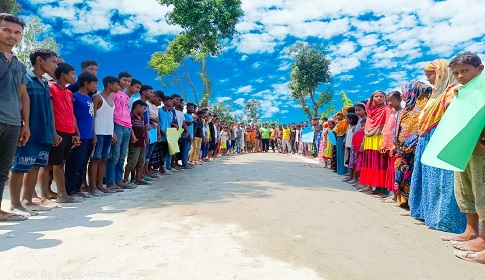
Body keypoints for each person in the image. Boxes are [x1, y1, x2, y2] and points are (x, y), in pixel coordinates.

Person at [410, 59, 466, 234]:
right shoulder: (436, 95)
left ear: (443, 73)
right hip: (428, 140)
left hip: (441, 140)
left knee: (443, 180)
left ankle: (445, 219)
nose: (428, 79)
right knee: (430, 180)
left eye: (431, 75)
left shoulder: (453, 91)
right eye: (426, 76)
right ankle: (429, 213)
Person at [8, 48, 58, 218]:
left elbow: (50, 110)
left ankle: (28, 201)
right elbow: (19, 101)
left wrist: (53, 131)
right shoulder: (25, 78)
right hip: (28, 130)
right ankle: (15, 204)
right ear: (39, 60)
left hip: (44, 132)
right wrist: (24, 124)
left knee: (36, 166)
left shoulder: (45, 83)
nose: (56, 66)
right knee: (19, 166)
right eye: (53, 62)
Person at [443, 53, 485, 254]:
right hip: (463, 148)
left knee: (482, 189)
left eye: (465, 71)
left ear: (480, 69)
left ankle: (483, 239)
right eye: (456, 73)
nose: (460, 76)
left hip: (481, 148)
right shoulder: (459, 93)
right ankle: (470, 230)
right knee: (465, 188)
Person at [0, 13, 31, 221]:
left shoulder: (20, 65)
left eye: (17, 32)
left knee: (3, 170)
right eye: (7, 30)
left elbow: (22, 94)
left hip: (12, 122)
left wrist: (25, 123)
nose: (12, 35)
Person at [40, 62, 81, 204]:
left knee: (60, 164)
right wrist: (53, 132)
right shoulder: (51, 88)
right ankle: (44, 196)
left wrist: (76, 132)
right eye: (73, 74)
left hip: (68, 131)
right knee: (47, 164)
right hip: (57, 131)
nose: (75, 77)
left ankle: (62, 194)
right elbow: (50, 112)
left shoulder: (69, 92)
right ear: (63, 75)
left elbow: (72, 113)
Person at [394, 81, 432, 208]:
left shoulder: (424, 107)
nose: (404, 96)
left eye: (405, 92)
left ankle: (415, 204)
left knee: (415, 175)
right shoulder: (407, 109)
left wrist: (410, 143)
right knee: (403, 172)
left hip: (416, 148)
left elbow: (418, 127)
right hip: (403, 149)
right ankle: (405, 201)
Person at [65, 71, 97, 199]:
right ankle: (70, 190)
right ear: (86, 83)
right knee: (74, 163)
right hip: (79, 136)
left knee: (83, 163)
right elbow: (72, 117)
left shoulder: (89, 98)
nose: (96, 86)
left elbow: (92, 118)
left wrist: (93, 135)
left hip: (88, 136)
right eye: (94, 83)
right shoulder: (75, 97)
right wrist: (75, 133)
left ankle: (77, 188)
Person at [106, 71, 137, 191]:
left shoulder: (126, 97)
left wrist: (132, 131)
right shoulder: (114, 94)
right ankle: (110, 182)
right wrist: (112, 129)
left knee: (122, 156)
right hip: (117, 126)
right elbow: (110, 111)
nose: (127, 83)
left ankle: (119, 181)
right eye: (124, 80)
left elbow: (128, 115)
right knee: (114, 156)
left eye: (129, 81)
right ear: (118, 80)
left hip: (127, 127)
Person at [88, 76, 118, 195]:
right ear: (109, 85)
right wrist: (93, 133)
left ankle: (100, 185)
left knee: (104, 159)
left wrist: (112, 132)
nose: (118, 87)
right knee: (95, 159)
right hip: (99, 132)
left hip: (108, 133)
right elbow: (93, 116)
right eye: (117, 85)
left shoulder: (111, 99)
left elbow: (110, 118)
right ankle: (92, 187)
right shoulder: (97, 97)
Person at [359, 91, 393, 194]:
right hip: (369, 138)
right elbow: (367, 128)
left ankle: (379, 188)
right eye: (376, 96)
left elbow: (388, 125)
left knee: (379, 162)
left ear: (385, 98)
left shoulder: (387, 110)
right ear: (372, 98)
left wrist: (385, 142)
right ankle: (369, 185)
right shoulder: (370, 111)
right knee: (369, 161)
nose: (378, 98)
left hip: (380, 137)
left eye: (381, 96)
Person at [378, 91, 402, 201]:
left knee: (396, 170)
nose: (390, 102)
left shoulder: (402, 113)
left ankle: (396, 195)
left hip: (396, 146)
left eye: (392, 100)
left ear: (400, 99)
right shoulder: (391, 113)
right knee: (390, 170)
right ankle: (393, 193)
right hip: (388, 146)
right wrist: (383, 145)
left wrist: (395, 145)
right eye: (388, 100)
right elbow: (386, 131)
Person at [124, 100, 148, 185]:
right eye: (144, 108)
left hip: (142, 142)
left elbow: (145, 128)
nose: (144, 111)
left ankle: (138, 178)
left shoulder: (142, 117)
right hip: (135, 143)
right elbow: (129, 128)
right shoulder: (130, 116)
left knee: (141, 161)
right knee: (132, 161)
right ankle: (126, 179)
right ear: (138, 106)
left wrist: (147, 137)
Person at [158, 95, 174, 174]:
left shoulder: (171, 112)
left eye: (172, 101)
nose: (172, 102)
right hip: (161, 134)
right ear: (164, 102)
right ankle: (161, 168)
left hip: (170, 134)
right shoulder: (159, 110)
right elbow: (157, 122)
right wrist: (161, 131)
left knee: (169, 151)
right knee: (162, 152)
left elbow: (170, 123)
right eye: (170, 101)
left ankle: (167, 167)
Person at [343, 113, 359, 182]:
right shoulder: (350, 127)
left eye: (347, 119)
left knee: (353, 163)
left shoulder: (354, 128)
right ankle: (350, 176)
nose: (345, 120)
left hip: (353, 147)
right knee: (350, 162)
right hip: (350, 147)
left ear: (351, 120)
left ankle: (353, 178)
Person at [182, 102, 196, 169]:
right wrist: (189, 135)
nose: (191, 109)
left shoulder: (191, 116)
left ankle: (186, 162)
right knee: (185, 150)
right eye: (189, 107)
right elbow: (184, 124)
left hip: (191, 135)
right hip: (186, 135)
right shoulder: (185, 115)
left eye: (192, 107)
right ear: (186, 108)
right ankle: (184, 164)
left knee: (187, 150)